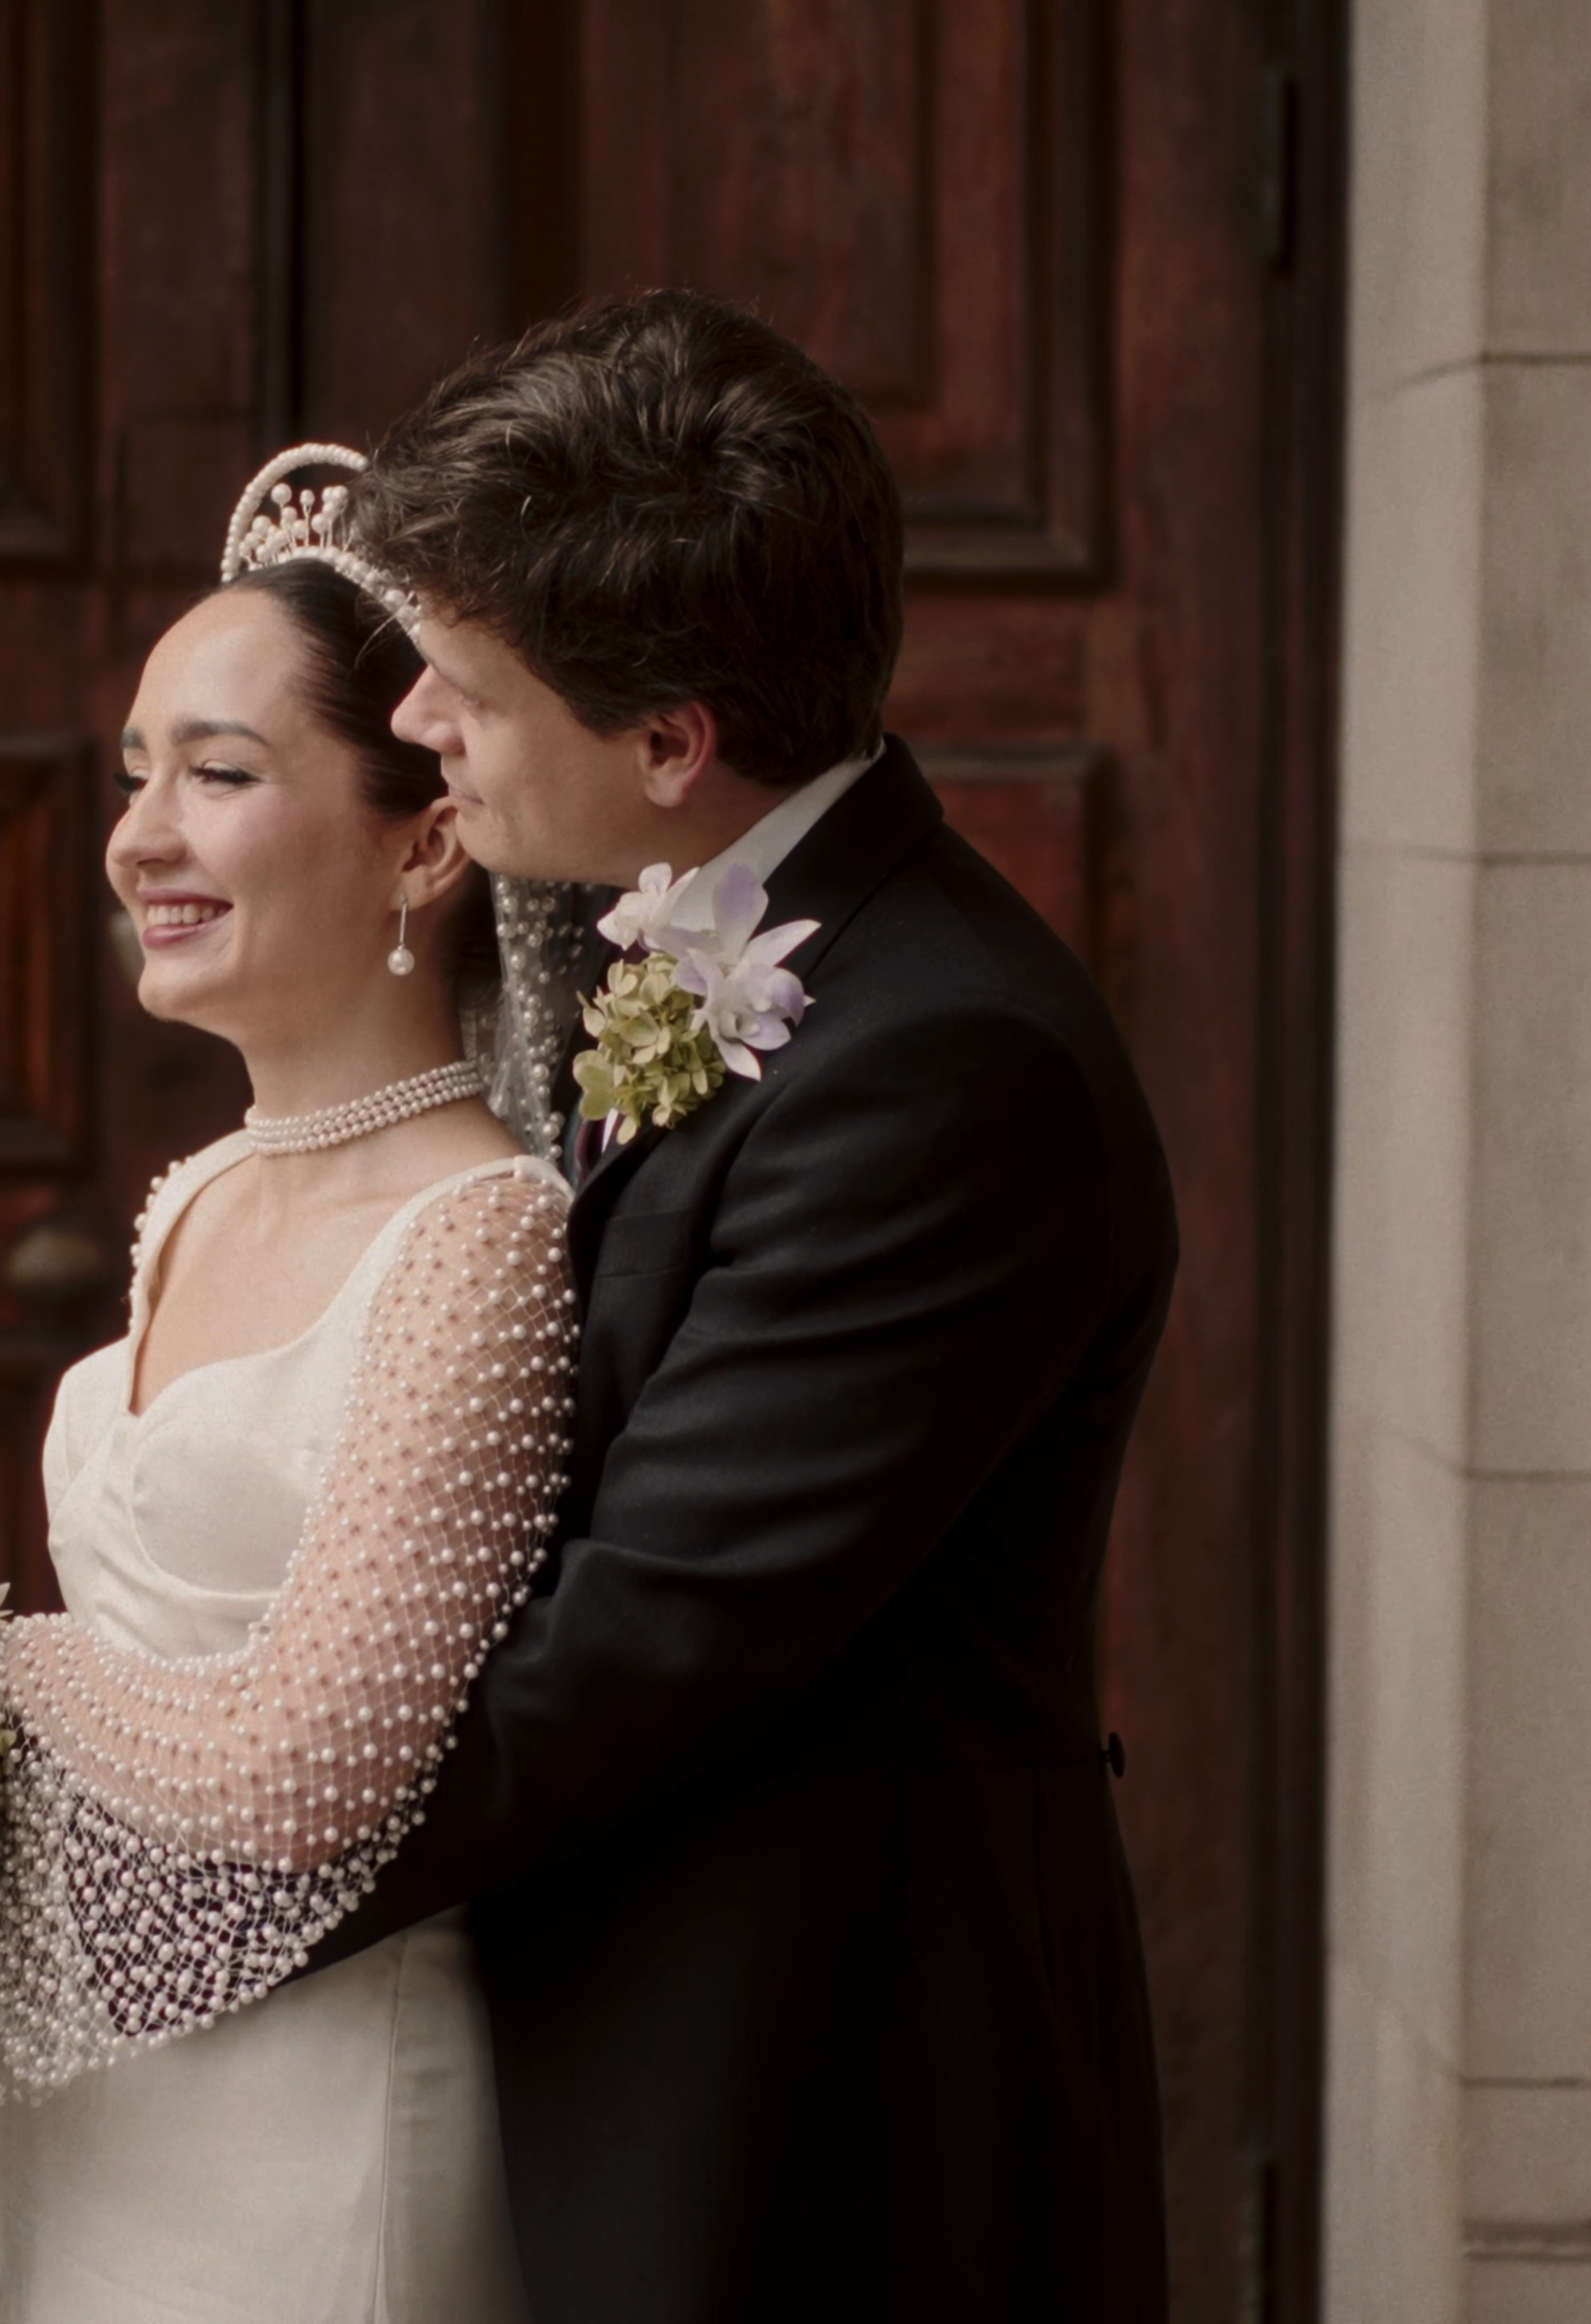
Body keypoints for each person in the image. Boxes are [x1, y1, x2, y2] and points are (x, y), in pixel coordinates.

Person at [294, 288, 1181, 2320]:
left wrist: (124, 1903)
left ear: (671, 742)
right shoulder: (734, 938)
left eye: (462, 689)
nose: (415, 727)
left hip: (825, 2114)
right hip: (640, 2044)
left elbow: (637, 1642)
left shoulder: (954, 1070)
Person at [0, 478, 572, 2322]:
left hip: (313, 2131)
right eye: (136, 772)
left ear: (424, 844)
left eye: (213, 773)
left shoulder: (478, 1238)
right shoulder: (194, 1191)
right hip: (98, 2091)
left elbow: (306, 1771)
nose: (136, 838)